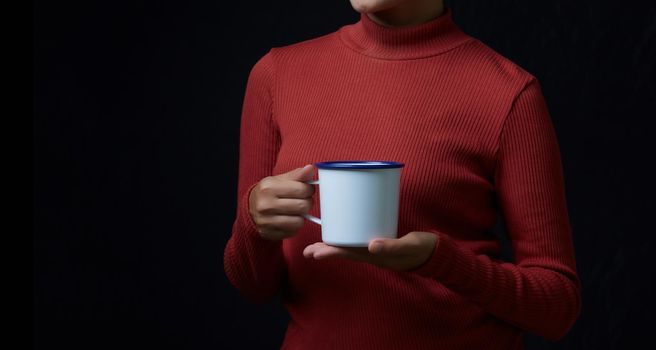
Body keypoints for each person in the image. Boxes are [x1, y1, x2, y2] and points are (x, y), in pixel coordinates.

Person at [224, 0, 581, 348]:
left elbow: (557, 309)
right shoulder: (275, 75)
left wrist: (441, 261)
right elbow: (253, 286)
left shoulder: (508, 92)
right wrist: (253, 219)